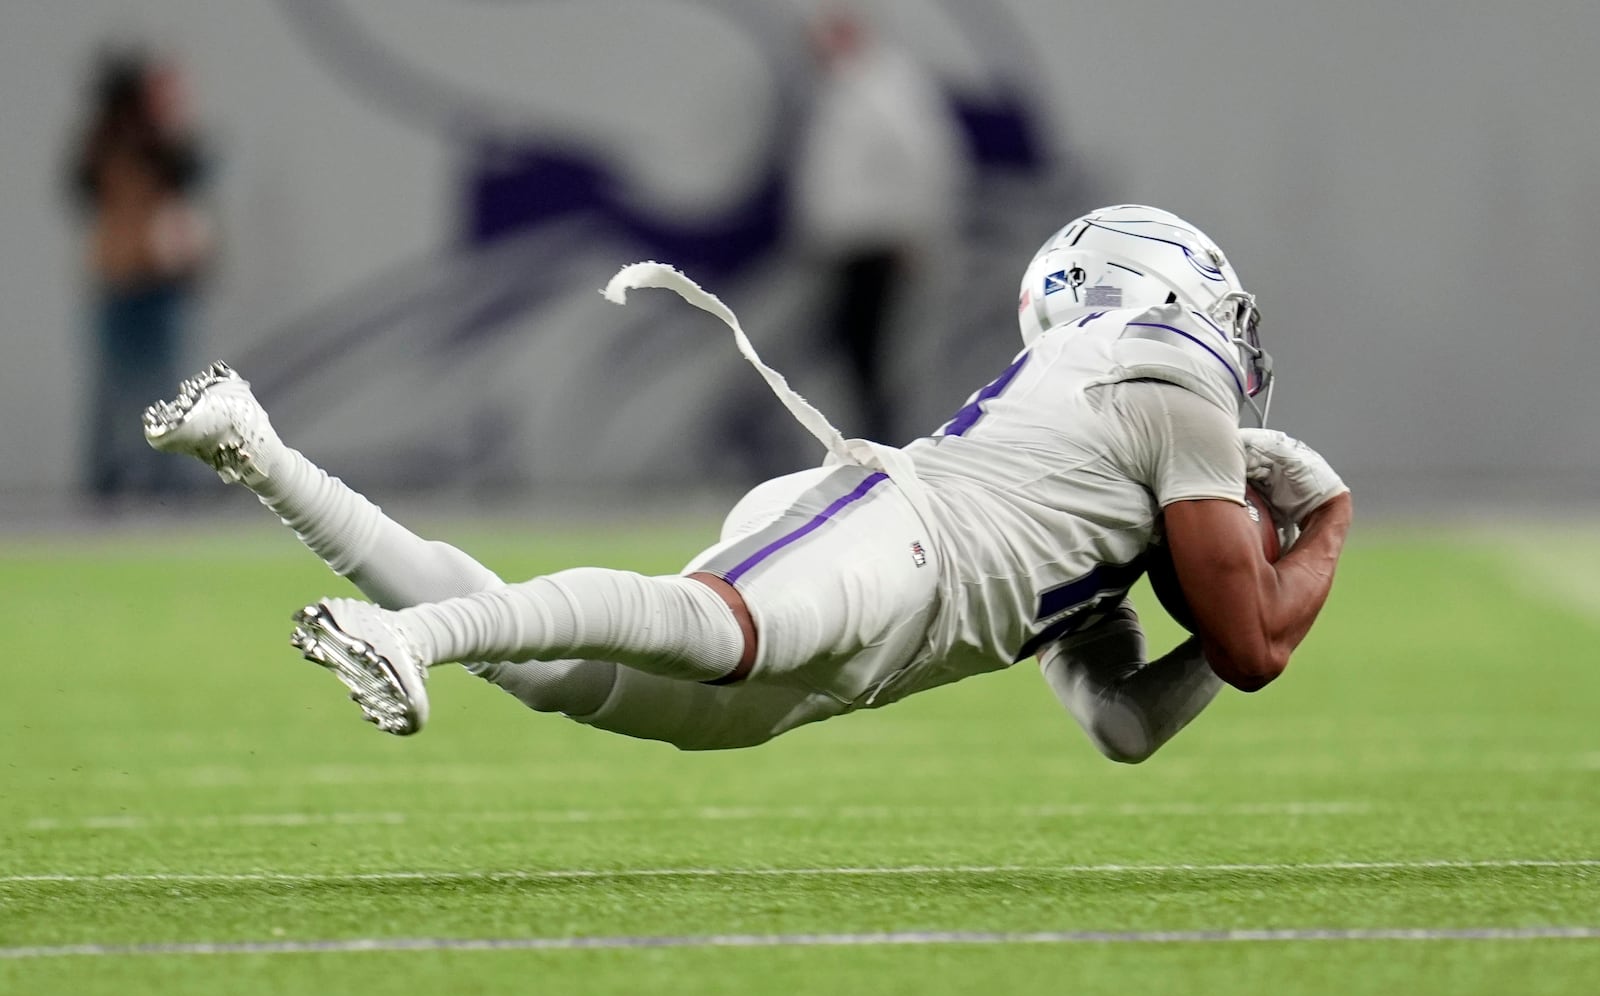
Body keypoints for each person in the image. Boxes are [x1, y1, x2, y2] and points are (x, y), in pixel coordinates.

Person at [143, 205, 1352, 762]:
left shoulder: (1098, 499)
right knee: (716, 625)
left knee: (559, 674)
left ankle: (257, 451)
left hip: (861, 656)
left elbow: (1126, 724)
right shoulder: (1162, 376)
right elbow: (1251, 643)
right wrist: (1329, 525)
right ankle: (413, 632)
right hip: (900, 535)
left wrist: (1223, 611)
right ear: (1155, 286)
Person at [789, 6, 970, 445]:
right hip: (850, 247)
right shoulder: (844, 86)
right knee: (856, 353)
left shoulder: (885, 86)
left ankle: (882, 445)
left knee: (870, 354)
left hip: (878, 244)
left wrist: (918, 231)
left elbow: (929, 161)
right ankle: (871, 442)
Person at [70, 48, 214, 501]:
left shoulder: (166, 146)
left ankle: (168, 481)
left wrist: (161, 125)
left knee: (168, 387)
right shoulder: (109, 145)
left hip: (161, 284)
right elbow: (81, 181)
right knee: (114, 390)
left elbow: (191, 168)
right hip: (118, 282)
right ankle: (107, 481)